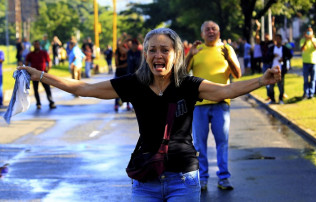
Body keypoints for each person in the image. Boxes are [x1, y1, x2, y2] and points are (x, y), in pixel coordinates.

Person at [18, 27, 281, 202]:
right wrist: (40, 75)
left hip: (184, 179)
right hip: (146, 181)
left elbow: (229, 89)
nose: (158, 54)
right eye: (152, 49)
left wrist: (262, 81)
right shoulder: (134, 83)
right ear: (145, 54)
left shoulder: (188, 85)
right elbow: (84, 88)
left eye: (165, 49)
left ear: (176, 54)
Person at [185, 21, 242, 191]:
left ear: (219, 32)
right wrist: (190, 55)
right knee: (199, 145)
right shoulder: (197, 49)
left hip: (221, 104)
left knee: (222, 142)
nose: (211, 31)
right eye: (207, 29)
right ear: (202, 34)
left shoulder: (227, 49)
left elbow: (237, 74)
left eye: (214, 29)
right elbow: (181, 74)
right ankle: (202, 179)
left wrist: (228, 58)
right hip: (199, 104)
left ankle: (223, 178)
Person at [25, 40, 56, 109]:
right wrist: (27, 71)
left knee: (47, 88)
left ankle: (51, 102)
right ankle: (38, 103)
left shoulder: (44, 53)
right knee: (35, 89)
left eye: (37, 44)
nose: (36, 46)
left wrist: (48, 69)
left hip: (43, 73)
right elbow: (26, 63)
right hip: (34, 74)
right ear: (33, 46)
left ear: (39, 45)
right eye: (35, 45)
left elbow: (49, 61)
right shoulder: (30, 54)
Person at [266, 34, 293, 104]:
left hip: (281, 70)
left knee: (281, 85)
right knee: (271, 86)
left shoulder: (284, 48)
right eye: (276, 39)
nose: (277, 40)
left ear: (280, 39)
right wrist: (273, 55)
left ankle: (281, 99)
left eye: (279, 39)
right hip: (272, 69)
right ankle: (272, 99)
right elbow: (267, 56)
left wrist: (283, 59)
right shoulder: (272, 48)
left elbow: (290, 56)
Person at [255, 18, 276, 101]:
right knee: (266, 80)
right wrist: (258, 28)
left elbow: (274, 35)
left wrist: (273, 25)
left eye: (267, 35)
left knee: (272, 82)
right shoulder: (262, 43)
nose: (266, 37)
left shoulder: (271, 43)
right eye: (265, 36)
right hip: (265, 64)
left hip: (271, 63)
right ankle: (269, 96)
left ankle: (272, 96)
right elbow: (256, 37)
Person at [300, 26, 316, 99]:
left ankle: (311, 94)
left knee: (313, 79)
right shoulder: (303, 40)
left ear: (312, 33)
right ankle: (306, 93)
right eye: (307, 31)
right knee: (305, 79)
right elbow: (302, 48)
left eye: (310, 31)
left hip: (314, 62)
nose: (308, 33)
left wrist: (311, 40)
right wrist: (306, 40)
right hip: (305, 62)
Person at [114, 41, 130, 112]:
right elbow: (116, 64)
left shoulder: (128, 53)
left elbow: (127, 64)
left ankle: (128, 104)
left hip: (126, 73)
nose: (122, 50)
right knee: (117, 90)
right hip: (118, 73)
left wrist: (120, 66)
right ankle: (116, 104)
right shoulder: (117, 53)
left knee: (127, 90)